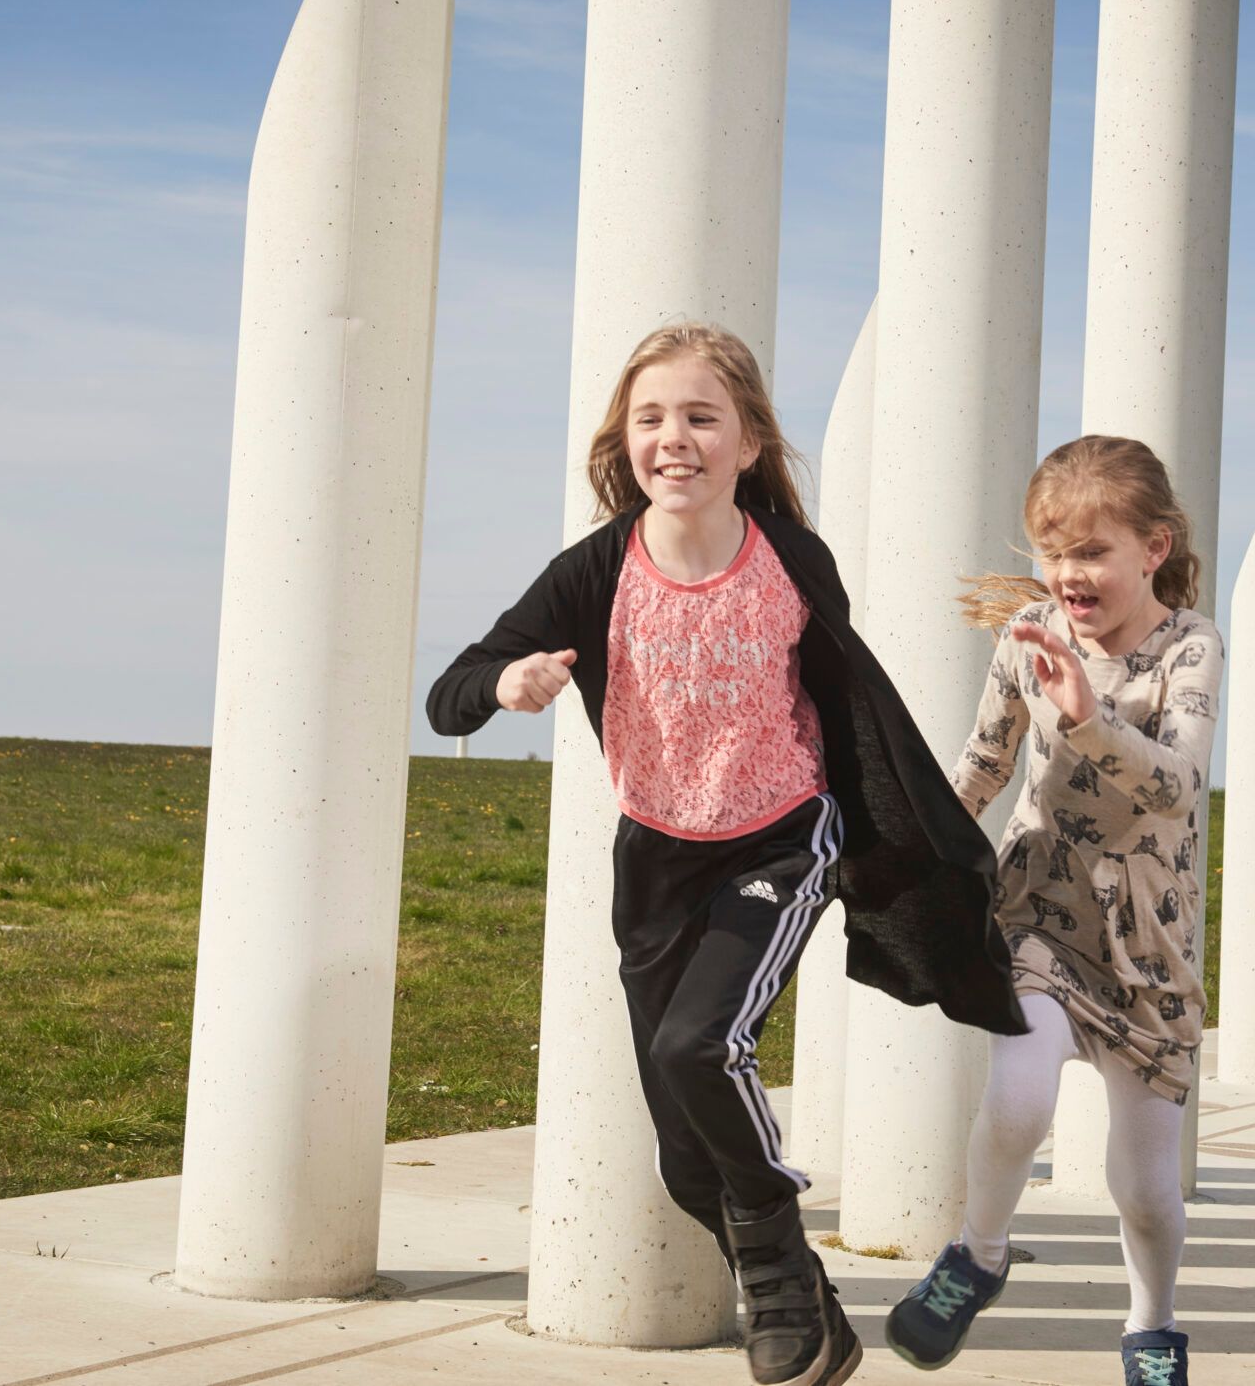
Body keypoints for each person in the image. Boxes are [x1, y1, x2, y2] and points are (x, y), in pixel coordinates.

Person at [425, 321, 1022, 1386]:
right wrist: (504, 683)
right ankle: (817, 1311)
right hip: (656, 860)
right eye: (651, 417)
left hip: (780, 841)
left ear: (748, 442)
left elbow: (847, 700)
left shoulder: (789, 558)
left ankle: (779, 1276)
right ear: (625, 440)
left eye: (702, 416)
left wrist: (884, 838)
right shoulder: (595, 569)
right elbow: (450, 690)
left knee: (700, 1046)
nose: (675, 437)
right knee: (686, 1158)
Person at [884, 436, 1221, 1386]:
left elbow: (1179, 784)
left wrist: (1087, 720)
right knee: (1019, 1097)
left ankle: (1151, 1326)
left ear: (1154, 548)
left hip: (1149, 949)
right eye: (1054, 551)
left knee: (1146, 1190)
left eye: (1093, 552)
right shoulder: (1030, 633)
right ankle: (978, 1254)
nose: (1070, 573)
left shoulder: (1191, 645)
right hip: (1040, 913)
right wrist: (913, 846)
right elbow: (984, 762)